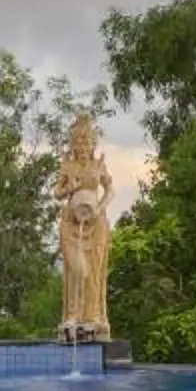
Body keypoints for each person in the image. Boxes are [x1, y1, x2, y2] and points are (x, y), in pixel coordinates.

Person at [55, 112, 113, 338]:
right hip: (71, 223)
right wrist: (70, 188)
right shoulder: (67, 166)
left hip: (96, 223)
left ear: (93, 144)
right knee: (77, 269)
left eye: (86, 142)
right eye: (78, 142)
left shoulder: (99, 165)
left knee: (94, 271)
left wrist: (100, 206)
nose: (82, 146)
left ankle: (93, 316)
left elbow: (110, 190)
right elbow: (57, 193)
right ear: (73, 144)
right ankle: (72, 315)